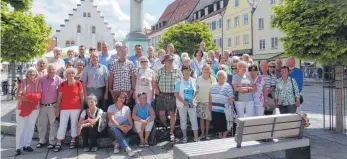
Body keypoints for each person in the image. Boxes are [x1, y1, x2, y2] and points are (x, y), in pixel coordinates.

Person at [54, 68, 84, 152]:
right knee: (62, 124)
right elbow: (59, 98)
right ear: (65, 75)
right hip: (64, 107)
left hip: (76, 107)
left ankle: (73, 140)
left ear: (74, 74)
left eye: (72, 73)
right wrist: (57, 109)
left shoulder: (78, 83)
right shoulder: (62, 84)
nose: (70, 74)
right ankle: (59, 141)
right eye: (68, 73)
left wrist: (82, 108)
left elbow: (82, 96)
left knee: (74, 124)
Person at [15, 67, 41, 156]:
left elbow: (39, 95)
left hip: (34, 108)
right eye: (30, 73)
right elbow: (18, 96)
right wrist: (31, 98)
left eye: (33, 73)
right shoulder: (22, 82)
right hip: (22, 107)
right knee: (20, 127)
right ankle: (18, 147)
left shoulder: (38, 82)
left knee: (30, 127)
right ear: (27, 74)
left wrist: (27, 97)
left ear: (36, 74)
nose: (32, 75)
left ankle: (27, 145)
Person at [155, 54, 181, 142]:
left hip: (173, 95)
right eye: (168, 61)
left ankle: (171, 132)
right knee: (161, 114)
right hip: (162, 94)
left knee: (173, 114)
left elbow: (180, 82)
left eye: (171, 61)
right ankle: (166, 126)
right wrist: (156, 89)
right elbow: (155, 81)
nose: (170, 62)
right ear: (164, 62)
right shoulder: (160, 71)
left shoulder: (177, 71)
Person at [36, 64, 63, 149]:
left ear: (56, 70)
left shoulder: (59, 80)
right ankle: (42, 140)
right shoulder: (42, 79)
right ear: (47, 70)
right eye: (50, 69)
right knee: (41, 124)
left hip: (53, 106)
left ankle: (52, 141)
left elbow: (61, 95)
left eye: (53, 69)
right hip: (42, 106)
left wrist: (58, 108)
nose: (52, 71)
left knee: (53, 124)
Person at [174, 66, 199, 143]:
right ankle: (185, 137)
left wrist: (194, 100)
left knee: (194, 120)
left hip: (192, 104)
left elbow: (197, 92)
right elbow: (176, 94)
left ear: (191, 71)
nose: (187, 72)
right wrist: (184, 102)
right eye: (185, 70)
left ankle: (196, 137)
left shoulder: (194, 80)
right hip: (182, 104)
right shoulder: (178, 81)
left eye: (188, 70)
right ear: (182, 71)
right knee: (183, 120)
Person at [210, 70, 234, 139]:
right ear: (217, 77)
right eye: (219, 75)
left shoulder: (228, 86)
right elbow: (211, 95)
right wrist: (210, 105)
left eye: (222, 75)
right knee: (216, 123)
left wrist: (230, 107)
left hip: (224, 109)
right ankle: (220, 135)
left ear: (225, 77)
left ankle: (224, 135)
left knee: (225, 123)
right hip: (214, 108)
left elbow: (231, 97)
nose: (220, 76)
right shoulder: (214, 85)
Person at [196, 64, 217, 140]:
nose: (206, 70)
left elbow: (214, 91)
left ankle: (207, 133)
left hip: (209, 101)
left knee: (208, 119)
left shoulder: (213, 79)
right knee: (201, 118)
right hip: (200, 101)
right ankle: (202, 133)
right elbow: (197, 90)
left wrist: (211, 103)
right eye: (204, 69)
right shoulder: (199, 78)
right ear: (202, 70)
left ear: (210, 70)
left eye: (208, 69)